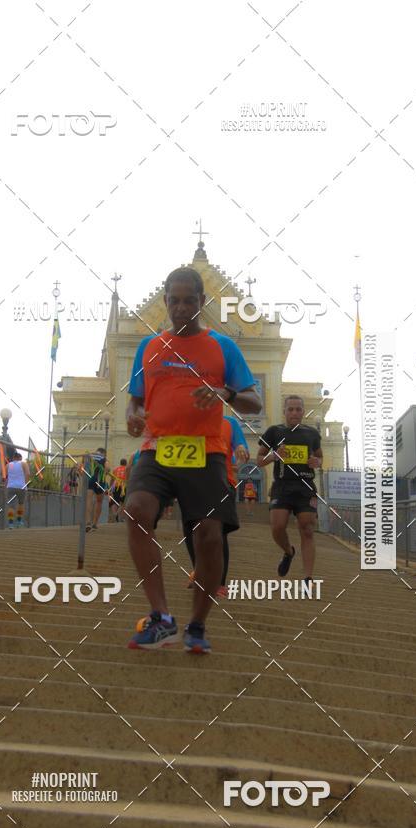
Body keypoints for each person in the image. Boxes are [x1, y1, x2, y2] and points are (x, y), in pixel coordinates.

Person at [124, 265, 261, 652]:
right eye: (174, 300)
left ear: (202, 302)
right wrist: (133, 416)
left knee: (209, 538)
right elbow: (137, 397)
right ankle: (162, 617)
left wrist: (224, 393)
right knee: (135, 509)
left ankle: (197, 624)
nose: (181, 308)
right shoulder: (149, 348)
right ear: (165, 302)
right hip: (157, 448)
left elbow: (254, 401)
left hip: (206, 452)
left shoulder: (223, 347)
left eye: (189, 300)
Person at [256, 395, 322, 586]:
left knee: (307, 529)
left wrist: (316, 462)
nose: (294, 413)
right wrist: (274, 455)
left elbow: (319, 457)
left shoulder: (311, 434)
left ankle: (308, 578)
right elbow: (259, 460)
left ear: (303, 411)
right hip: (282, 487)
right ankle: (288, 551)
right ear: (284, 411)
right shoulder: (274, 432)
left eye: (298, 409)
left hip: (305, 487)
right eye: (290, 409)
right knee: (277, 527)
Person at [185, 414, 249, 596]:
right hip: (192, 481)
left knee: (218, 532)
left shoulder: (230, 422)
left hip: (223, 481)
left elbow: (240, 445)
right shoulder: (189, 418)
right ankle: (198, 571)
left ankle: (219, 583)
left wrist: (241, 450)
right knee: (191, 528)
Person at [86, 447, 109, 532]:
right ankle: (95, 524)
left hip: (91, 479)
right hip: (100, 480)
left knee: (89, 500)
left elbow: (83, 465)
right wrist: (105, 473)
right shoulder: (104, 458)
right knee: (99, 502)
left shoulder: (90, 456)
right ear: (103, 453)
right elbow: (107, 468)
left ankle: (88, 522)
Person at [6, 451, 30, 529]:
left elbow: (4, 476)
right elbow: (28, 474)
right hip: (21, 487)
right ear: (20, 458)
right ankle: (19, 522)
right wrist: (25, 484)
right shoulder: (23, 464)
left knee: (11, 506)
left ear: (13, 458)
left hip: (10, 487)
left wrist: (6, 485)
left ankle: (10, 524)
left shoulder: (8, 465)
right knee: (21, 504)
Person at [110, 458, 128, 522]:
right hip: (123, 487)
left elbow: (112, 479)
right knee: (122, 503)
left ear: (120, 463)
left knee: (115, 502)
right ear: (126, 463)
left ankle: (114, 515)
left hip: (115, 486)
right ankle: (119, 516)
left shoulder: (115, 469)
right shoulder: (127, 469)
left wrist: (110, 488)